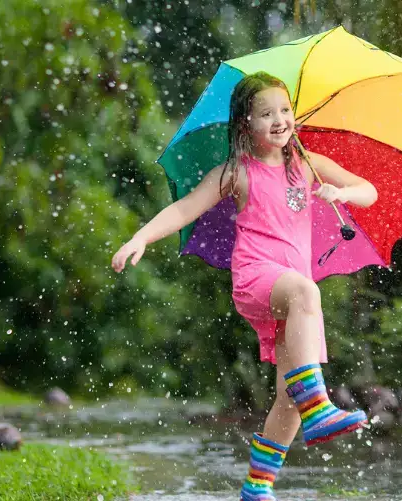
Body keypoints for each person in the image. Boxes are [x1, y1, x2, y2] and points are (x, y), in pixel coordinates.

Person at [110, 71, 378, 500]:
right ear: (245, 125)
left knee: (289, 396)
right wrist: (140, 237)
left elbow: (370, 191)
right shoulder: (237, 172)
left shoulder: (307, 166)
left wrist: (341, 195)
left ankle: (257, 487)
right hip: (258, 279)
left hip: (291, 297)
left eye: (285, 111)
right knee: (308, 294)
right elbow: (185, 208)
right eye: (266, 113)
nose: (279, 120)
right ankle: (320, 407)